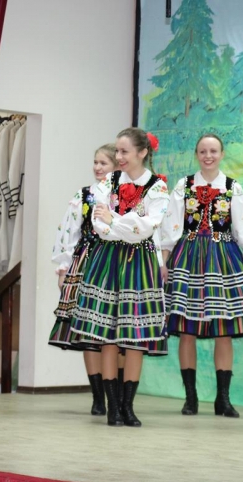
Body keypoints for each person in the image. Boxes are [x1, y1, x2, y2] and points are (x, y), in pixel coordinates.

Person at [70, 127, 169, 427]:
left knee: (136, 338)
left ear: (142, 152)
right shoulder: (107, 182)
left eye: (124, 151)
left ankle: (128, 406)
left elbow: (147, 228)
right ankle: (113, 407)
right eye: (117, 151)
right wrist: (124, 223)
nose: (119, 156)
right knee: (107, 337)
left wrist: (114, 219)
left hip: (140, 264)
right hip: (108, 261)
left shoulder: (157, 187)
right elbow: (99, 226)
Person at [161, 134, 243, 418]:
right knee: (187, 330)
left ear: (222, 154)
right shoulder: (184, 185)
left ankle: (223, 399)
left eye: (213, 151)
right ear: (197, 154)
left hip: (223, 260)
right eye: (203, 151)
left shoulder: (232, 187)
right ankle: (190, 398)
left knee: (224, 330)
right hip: (188, 259)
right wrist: (163, 263)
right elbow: (170, 227)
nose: (208, 156)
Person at [49, 144, 119, 416]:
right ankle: (98, 396)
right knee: (89, 332)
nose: (98, 167)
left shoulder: (125, 195)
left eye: (104, 163)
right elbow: (69, 233)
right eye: (96, 162)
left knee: (115, 331)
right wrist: (64, 269)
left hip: (117, 264)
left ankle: (117, 397)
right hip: (87, 264)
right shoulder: (85, 195)